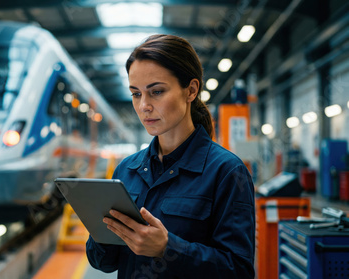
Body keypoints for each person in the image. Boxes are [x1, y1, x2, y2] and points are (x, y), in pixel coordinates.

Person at [86, 34, 255, 278]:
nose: (144, 105)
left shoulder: (226, 172)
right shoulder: (127, 170)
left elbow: (239, 270)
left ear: (191, 90)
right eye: (136, 94)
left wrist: (167, 249)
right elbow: (102, 263)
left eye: (156, 92)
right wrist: (103, 232)